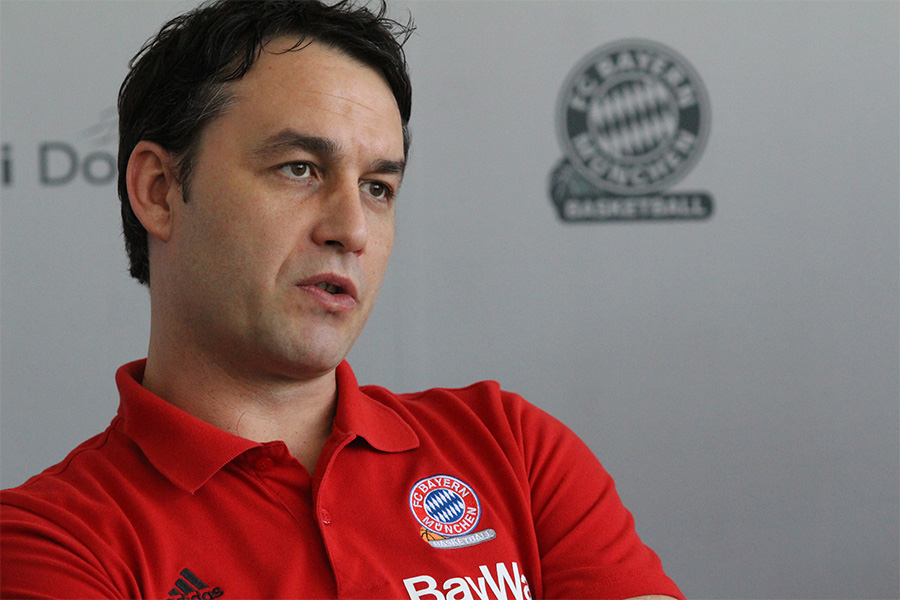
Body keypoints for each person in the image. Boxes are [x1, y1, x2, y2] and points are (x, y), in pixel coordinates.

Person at [0, 1, 684, 598]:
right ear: (158, 191)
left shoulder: (512, 450)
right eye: (299, 169)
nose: (352, 229)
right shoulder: (49, 540)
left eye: (378, 188)